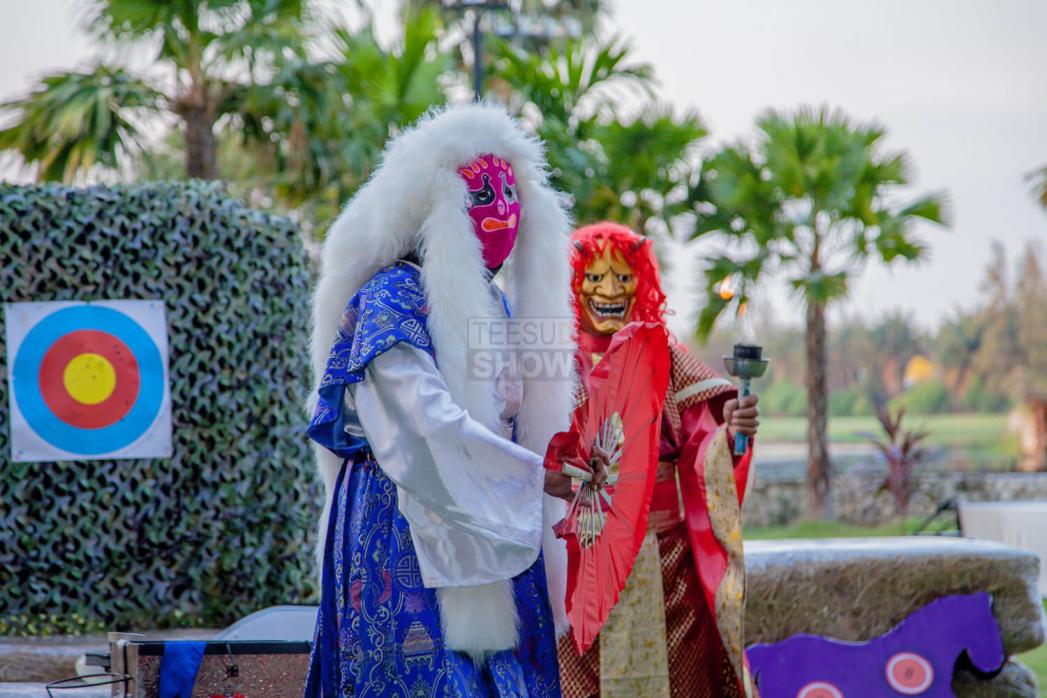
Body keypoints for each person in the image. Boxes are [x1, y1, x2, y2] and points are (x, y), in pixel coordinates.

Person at [304, 104, 598, 697]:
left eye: (510, 192)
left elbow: (514, 399)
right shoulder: (390, 299)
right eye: (483, 193)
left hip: (495, 515)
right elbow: (419, 425)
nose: (502, 209)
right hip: (402, 523)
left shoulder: (497, 303)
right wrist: (533, 475)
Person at [558, 222, 761, 698]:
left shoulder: (664, 355)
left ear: (642, 282)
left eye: (623, 277)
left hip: (668, 569)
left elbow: (708, 442)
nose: (610, 290)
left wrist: (734, 430)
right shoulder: (550, 364)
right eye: (595, 277)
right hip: (579, 569)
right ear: (572, 284)